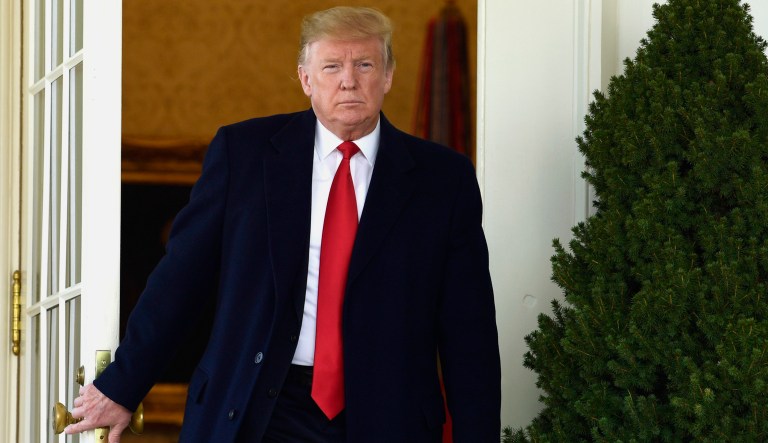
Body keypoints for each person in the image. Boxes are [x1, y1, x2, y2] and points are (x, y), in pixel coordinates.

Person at [65, 6, 501, 442]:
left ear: (387, 75)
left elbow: (469, 333)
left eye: (364, 65)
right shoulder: (244, 154)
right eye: (332, 66)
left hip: (387, 415)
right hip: (260, 406)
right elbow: (180, 282)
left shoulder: (444, 180)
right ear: (306, 78)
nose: (348, 80)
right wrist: (122, 387)